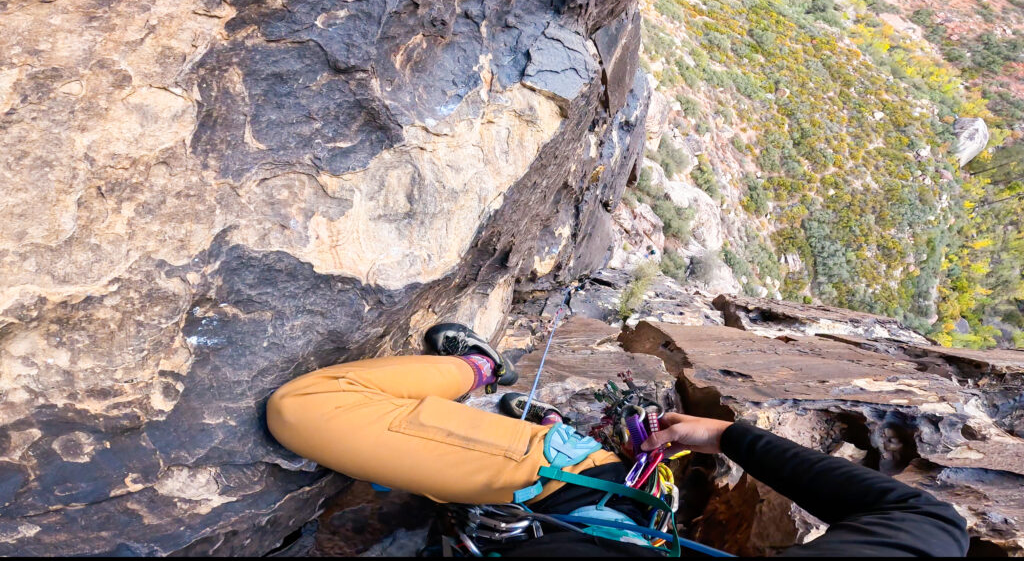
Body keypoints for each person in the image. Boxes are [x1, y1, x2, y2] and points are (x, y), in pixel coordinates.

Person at [266, 323, 969, 557]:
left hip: (555, 523)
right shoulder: (927, 538)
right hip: (558, 494)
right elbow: (925, 516)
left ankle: (518, 416)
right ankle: (477, 368)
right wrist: (725, 434)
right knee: (304, 410)